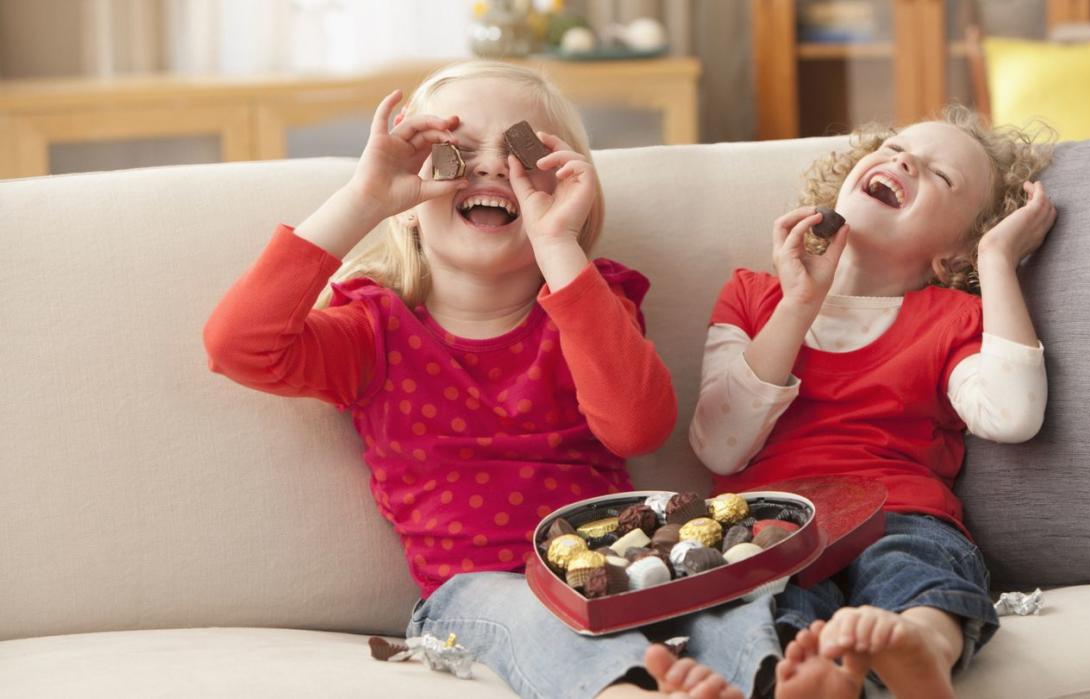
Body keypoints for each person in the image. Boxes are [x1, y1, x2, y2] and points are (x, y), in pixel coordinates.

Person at [203, 60, 742, 698]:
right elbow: (239, 346)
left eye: (521, 155)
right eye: (453, 153)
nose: (490, 167)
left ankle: (781, 677)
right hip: (478, 595)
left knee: (738, 602)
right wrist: (365, 200)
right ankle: (619, 690)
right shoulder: (372, 331)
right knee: (529, 614)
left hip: (627, 568)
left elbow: (637, 428)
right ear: (407, 203)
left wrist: (559, 246)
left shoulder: (590, 306)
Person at [689, 107, 1056, 698]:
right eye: (895, 146)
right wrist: (799, 306)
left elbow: (1012, 417)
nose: (903, 160)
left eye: (941, 177)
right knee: (758, 604)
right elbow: (720, 446)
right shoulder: (753, 297)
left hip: (899, 515)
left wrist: (996, 261)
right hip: (765, 524)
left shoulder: (952, 318)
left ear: (954, 254)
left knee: (916, 569)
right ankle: (808, 677)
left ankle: (921, 648)